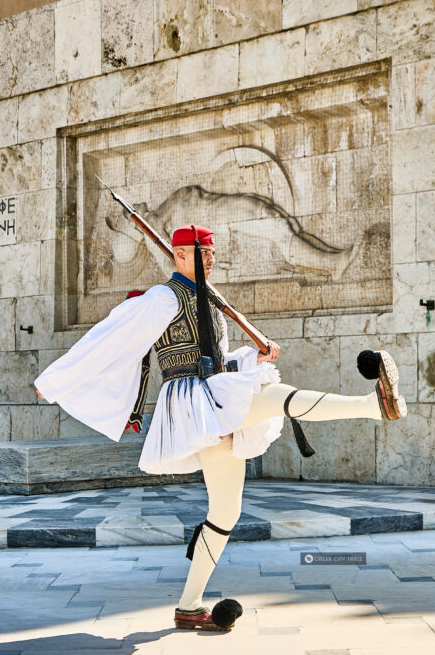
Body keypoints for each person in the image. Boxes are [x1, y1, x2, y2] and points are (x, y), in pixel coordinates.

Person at [34, 224, 406, 632]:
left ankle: (189, 606)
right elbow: (107, 337)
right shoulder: (161, 299)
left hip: (214, 393)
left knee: (226, 511)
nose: (211, 258)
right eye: (203, 252)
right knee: (278, 396)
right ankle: (373, 405)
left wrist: (255, 358)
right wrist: (53, 380)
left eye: (212, 252)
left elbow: (218, 359)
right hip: (192, 401)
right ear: (179, 255)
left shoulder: (210, 299)